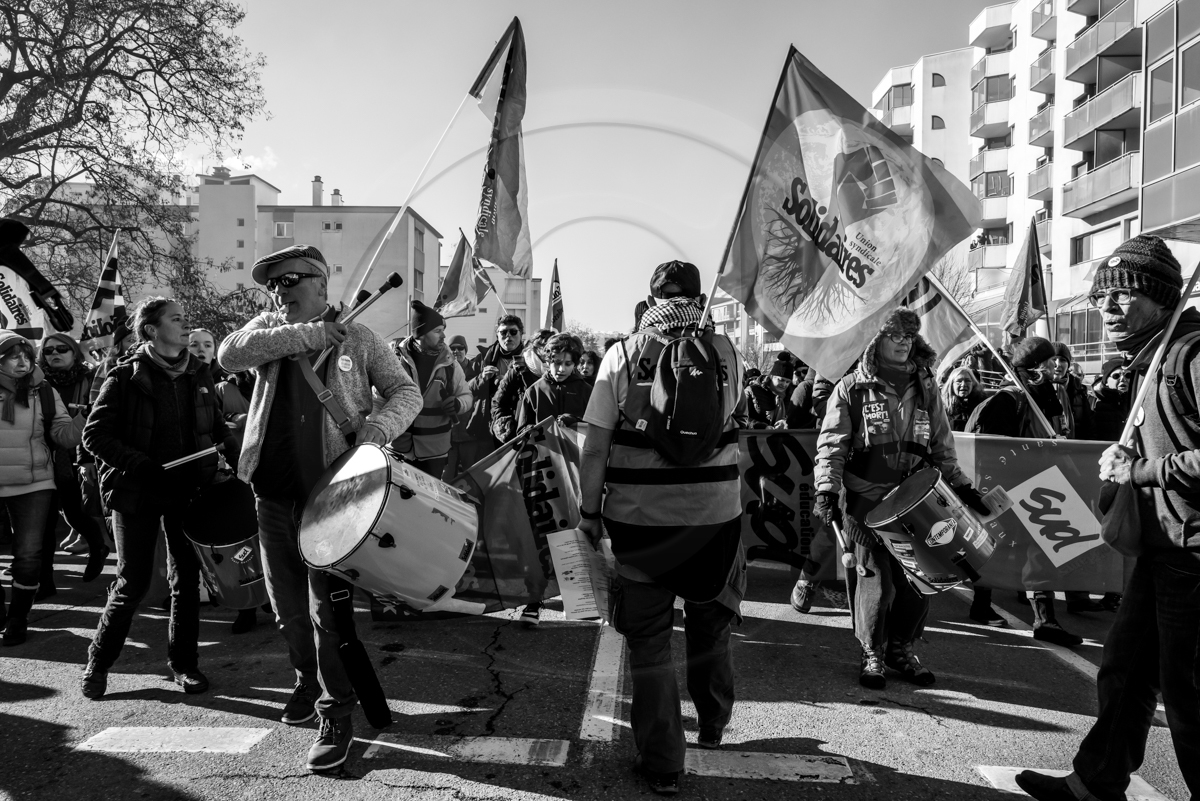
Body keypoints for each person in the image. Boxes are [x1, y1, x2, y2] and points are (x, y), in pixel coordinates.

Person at [217, 245, 420, 773]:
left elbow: (406, 392)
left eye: (291, 280)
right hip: (270, 494)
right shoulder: (267, 330)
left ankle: (336, 711)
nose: (280, 292)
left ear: (321, 283)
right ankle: (306, 679)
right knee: (287, 611)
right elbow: (228, 354)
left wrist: (376, 431)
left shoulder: (361, 337)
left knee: (327, 613)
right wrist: (308, 335)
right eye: (274, 284)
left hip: (332, 499)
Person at [1017, 235, 1200, 801]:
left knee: (1189, 697)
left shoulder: (1191, 355)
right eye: (1102, 296)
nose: (1107, 307)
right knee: (1124, 671)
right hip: (1163, 549)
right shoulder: (1152, 361)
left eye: (1122, 294)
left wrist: (1141, 471)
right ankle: (1095, 782)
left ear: (1161, 297)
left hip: (1194, 555)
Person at [578, 260, 745, 796]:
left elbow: (595, 445)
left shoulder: (623, 354)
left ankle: (663, 764)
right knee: (710, 622)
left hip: (640, 524)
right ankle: (714, 723)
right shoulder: (727, 354)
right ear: (699, 299)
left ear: (651, 299)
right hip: (715, 519)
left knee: (649, 642)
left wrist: (587, 513)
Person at [814, 308, 990, 689]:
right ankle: (871, 651)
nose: (904, 342)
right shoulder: (851, 388)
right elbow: (832, 444)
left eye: (909, 336)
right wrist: (826, 489)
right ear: (876, 341)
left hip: (918, 503)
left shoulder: (926, 385)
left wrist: (961, 486)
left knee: (920, 581)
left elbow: (942, 444)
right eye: (895, 335)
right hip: (867, 503)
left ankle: (901, 649)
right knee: (877, 582)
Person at [81, 298, 238, 694]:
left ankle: (184, 665)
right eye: (177, 319)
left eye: (186, 318)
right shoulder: (124, 377)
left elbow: (216, 429)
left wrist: (240, 463)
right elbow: (94, 437)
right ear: (151, 330)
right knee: (132, 581)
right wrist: (140, 464)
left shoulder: (201, 374)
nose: (186, 326)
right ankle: (98, 663)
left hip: (188, 491)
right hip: (137, 492)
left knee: (185, 580)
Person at [965, 337, 1083, 647]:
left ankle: (1045, 620)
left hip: (1039, 486)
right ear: (1033, 369)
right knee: (998, 548)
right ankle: (981, 605)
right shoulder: (1006, 401)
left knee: (1044, 551)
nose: (1054, 368)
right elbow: (988, 450)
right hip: (1010, 489)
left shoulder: (1044, 398)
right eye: (1046, 364)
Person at [0, 332, 83, 645]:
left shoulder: (43, 390)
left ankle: (18, 619)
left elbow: (63, 435)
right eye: (12, 356)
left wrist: (82, 420)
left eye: (26, 355)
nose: (22, 362)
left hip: (34, 483)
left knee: (29, 555)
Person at [513, 332, 592, 627]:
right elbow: (520, 434)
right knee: (538, 537)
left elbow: (597, 431)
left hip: (575, 479)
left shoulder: (586, 390)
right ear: (547, 360)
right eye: (556, 362)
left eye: (567, 363)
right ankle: (534, 598)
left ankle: (578, 597)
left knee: (573, 534)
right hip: (541, 476)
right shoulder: (534, 391)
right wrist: (536, 431)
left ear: (576, 363)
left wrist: (578, 423)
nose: (560, 368)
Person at [37, 333, 109, 591]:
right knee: (44, 521)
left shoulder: (90, 379)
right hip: (43, 456)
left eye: (61, 349)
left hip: (77, 454)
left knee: (73, 512)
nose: (54, 354)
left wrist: (86, 457)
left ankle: (97, 547)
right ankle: (44, 581)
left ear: (74, 353)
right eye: (48, 351)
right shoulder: (35, 382)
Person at [390, 301, 470, 479]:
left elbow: (466, 395)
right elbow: (378, 400)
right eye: (437, 331)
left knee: (428, 504)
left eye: (443, 330)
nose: (443, 336)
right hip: (398, 448)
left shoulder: (451, 363)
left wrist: (458, 404)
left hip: (436, 453)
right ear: (420, 333)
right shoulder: (394, 360)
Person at [466, 315, 525, 451]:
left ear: (521, 334)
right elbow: (466, 388)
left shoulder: (531, 359)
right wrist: (482, 378)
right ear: (497, 335)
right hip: (489, 425)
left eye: (513, 332)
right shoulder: (483, 358)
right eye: (503, 332)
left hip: (521, 422)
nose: (508, 336)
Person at [490, 329, 553, 445]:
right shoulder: (518, 369)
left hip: (552, 437)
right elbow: (498, 402)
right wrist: (505, 425)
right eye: (540, 345)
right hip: (521, 437)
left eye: (548, 347)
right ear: (532, 346)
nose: (543, 351)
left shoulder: (559, 371)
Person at [443, 334, 479, 481]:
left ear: (466, 349)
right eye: (453, 348)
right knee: (446, 477)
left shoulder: (477, 370)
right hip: (448, 436)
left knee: (470, 477)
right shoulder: (444, 370)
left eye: (461, 348)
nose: (457, 351)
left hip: (469, 435)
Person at [1088, 358, 1130, 442]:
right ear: (1106, 381)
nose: (1122, 379)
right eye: (1116, 376)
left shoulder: (1139, 401)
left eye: (1128, 375)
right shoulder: (1093, 403)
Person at [942, 366, 987, 433]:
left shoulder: (982, 405)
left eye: (967, 381)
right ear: (951, 385)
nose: (963, 384)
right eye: (959, 381)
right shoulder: (943, 406)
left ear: (973, 384)